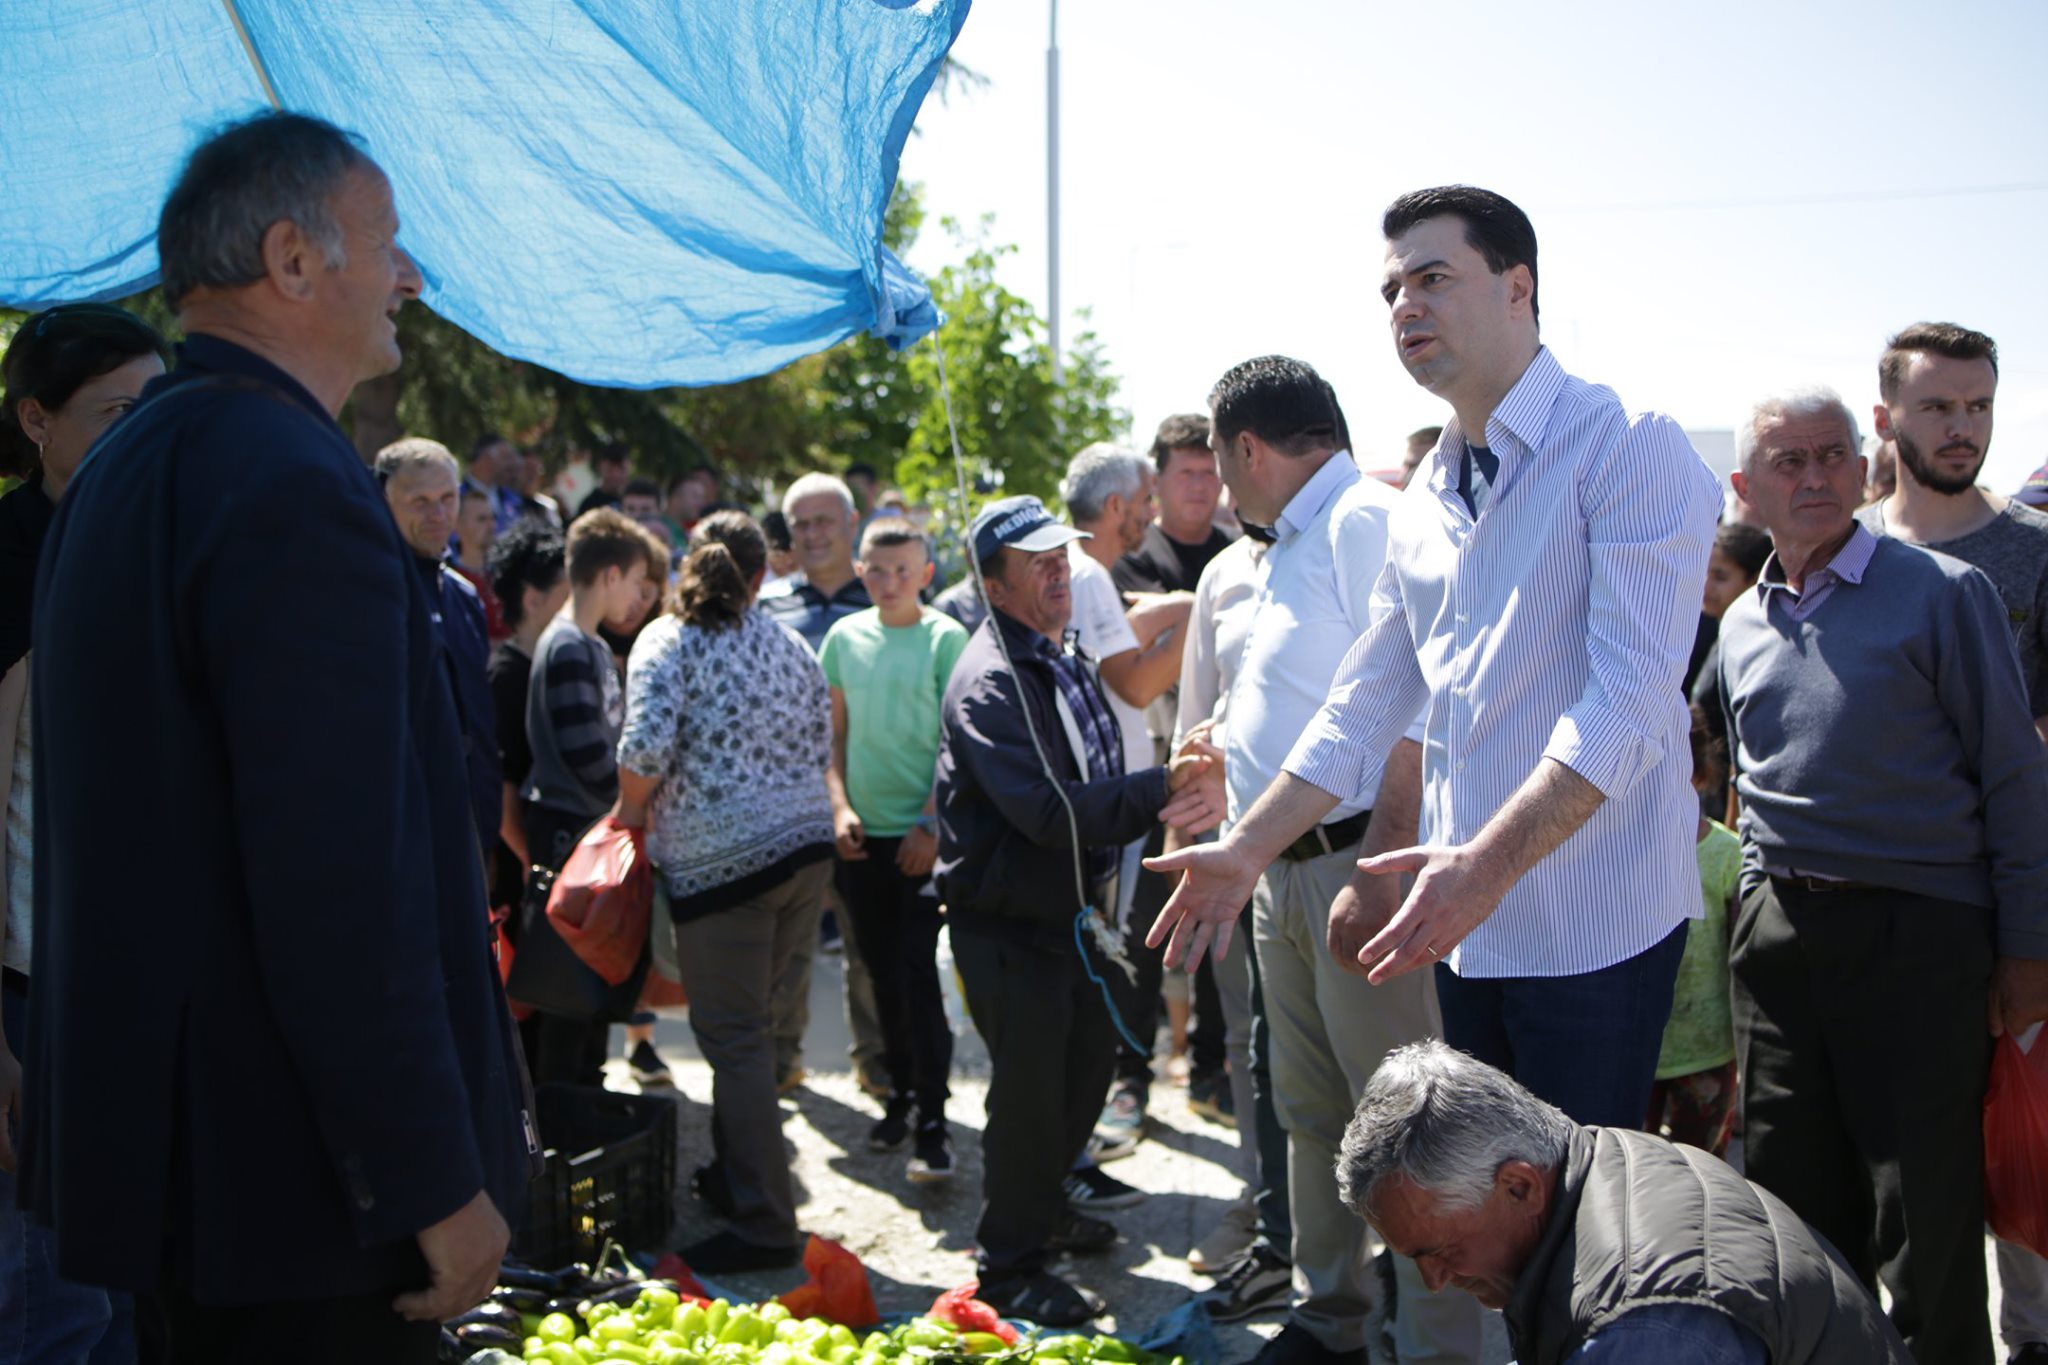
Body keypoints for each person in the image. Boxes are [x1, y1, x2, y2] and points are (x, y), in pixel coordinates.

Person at [24, 111, 532, 1361]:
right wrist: (431, 1181)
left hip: (193, 1178)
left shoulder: (132, 462)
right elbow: (335, 886)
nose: (410, 277)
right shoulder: (291, 485)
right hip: (302, 1195)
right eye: (389, 241)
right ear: (292, 260)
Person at [1148, 186, 1720, 1139]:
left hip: (1594, 930)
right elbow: (1365, 702)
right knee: (1496, 1227)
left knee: (1581, 1230)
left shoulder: (1627, 447)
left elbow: (1625, 700)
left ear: (1518, 287)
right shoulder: (1423, 497)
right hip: (1469, 936)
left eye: (1433, 278)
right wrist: (1248, 849)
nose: (1405, 306)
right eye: (1391, 291)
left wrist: (1484, 867)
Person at [1718, 386, 2048, 1363]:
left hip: (1920, 936)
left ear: (1864, 467)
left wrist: (2028, 951)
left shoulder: (1942, 591)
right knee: (1792, 1209)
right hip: (1778, 941)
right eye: (1787, 461)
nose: (1813, 476)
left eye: (1831, 455)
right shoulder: (1740, 623)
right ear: (1744, 490)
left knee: (1925, 1220)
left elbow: (2010, 773)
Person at [1197, 357, 1480, 1365]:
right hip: (1286, 875)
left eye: (1221, 468)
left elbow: (1418, 697)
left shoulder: (1364, 517)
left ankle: (1439, 1343)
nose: (1222, 492)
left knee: (1406, 1124)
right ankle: (1331, 1320)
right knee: (1312, 1109)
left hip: (1355, 866)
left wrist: (1377, 868)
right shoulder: (1287, 543)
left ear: (1247, 448)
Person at [934, 495, 1225, 1327]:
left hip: (1067, 913)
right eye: (1038, 563)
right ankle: (1008, 1262)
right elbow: (1047, 814)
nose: (1060, 571)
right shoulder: (991, 680)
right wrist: (1162, 785)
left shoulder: (1047, 649)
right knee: (1029, 1094)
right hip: (1009, 923)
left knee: (1085, 1065)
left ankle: (1043, 1207)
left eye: (1062, 556)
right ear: (994, 584)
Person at [1851, 323, 2048, 1363]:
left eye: (1976, 406)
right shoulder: (1845, 553)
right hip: (1882, 926)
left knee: (2028, 1175)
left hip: (2013, 910)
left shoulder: (2031, 552)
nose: (1959, 427)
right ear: (1885, 419)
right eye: (1936, 407)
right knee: (1906, 1174)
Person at [1340, 1041, 1912, 1364]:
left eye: (1439, 1251)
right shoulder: (1606, 1154)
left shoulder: (1648, 1325)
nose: (1435, 1281)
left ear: (1519, 1185)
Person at [1, 301, 170, 1365]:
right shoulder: (15, 563)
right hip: (26, 1000)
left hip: (123, 992)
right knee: (49, 1308)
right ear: (34, 420)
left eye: (156, 407)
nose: (140, 432)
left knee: (115, 1304)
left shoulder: (143, 542)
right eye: (115, 411)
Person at [616, 511, 836, 1274]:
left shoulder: (665, 641)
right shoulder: (791, 644)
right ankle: (741, 1173)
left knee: (734, 1040)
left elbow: (643, 747)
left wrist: (625, 818)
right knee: (758, 1032)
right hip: (804, 854)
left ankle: (767, 1225)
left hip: (724, 869)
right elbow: (820, 739)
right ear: (760, 575)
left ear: (686, 562)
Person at [821, 518, 970, 1182]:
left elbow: (958, 740)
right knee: (879, 974)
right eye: (876, 570)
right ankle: (900, 1097)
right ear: (860, 571)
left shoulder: (945, 636)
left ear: (926, 573)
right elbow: (832, 738)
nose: (889, 582)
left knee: (920, 978)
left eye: (902, 570)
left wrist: (932, 822)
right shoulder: (842, 637)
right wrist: (840, 807)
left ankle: (934, 1122)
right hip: (862, 841)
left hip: (925, 839)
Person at [1062, 444, 1195, 1161]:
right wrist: (1200, 616)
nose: (1154, 512)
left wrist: (1165, 612)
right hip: (1104, 818)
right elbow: (1135, 685)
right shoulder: (1086, 576)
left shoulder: (1084, 576)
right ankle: (1078, 1147)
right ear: (1116, 508)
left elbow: (1103, 655)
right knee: (1105, 977)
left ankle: (1079, 1148)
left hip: (1104, 813)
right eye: (1146, 499)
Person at [1171, 524, 1290, 1291]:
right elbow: (1194, 713)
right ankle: (1264, 1205)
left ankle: (1379, 1229)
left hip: (1338, 847)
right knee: (1253, 1039)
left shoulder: (1362, 538)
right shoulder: (1222, 574)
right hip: (1235, 856)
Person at [521, 506, 660, 1087]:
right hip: (572, 839)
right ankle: (564, 1134)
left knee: (589, 1004)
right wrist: (637, 801)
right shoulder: (571, 646)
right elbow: (588, 755)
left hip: (586, 837)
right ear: (609, 574)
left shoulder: (588, 645)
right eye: (634, 581)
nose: (638, 596)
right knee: (568, 1007)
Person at [760, 472, 888, 1096]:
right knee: (787, 942)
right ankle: (782, 1058)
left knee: (868, 940)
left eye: (823, 522)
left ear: (851, 525)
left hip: (869, 792)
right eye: (800, 525)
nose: (812, 535)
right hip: (787, 798)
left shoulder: (886, 598)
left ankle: (877, 1062)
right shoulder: (766, 605)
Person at [1644, 707, 1741, 1157]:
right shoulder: (1622, 857)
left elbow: (1740, 963)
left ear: (1700, 773)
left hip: (1708, 1050)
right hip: (1638, 1047)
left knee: (1701, 1177)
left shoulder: (1726, 855)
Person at [482, 519, 569, 1007]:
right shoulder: (507, 677)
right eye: (565, 590)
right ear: (533, 600)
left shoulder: (549, 665)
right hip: (525, 878)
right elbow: (503, 786)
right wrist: (532, 866)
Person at [450, 480, 510, 639]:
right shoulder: (450, 582)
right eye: (482, 519)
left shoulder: (505, 576)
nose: (491, 526)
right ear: (458, 525)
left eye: (493, 518)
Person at [466, 432, 528, 534]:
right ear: (486, 459)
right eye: (505, 457)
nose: (511, 464)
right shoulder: (456, 500)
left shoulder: (512, 500)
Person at [576, 443, 630, 518]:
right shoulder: (589, 504)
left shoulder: (638, 502)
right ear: (601, 467)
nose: (615, 475)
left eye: (621, 469)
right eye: (610, 470)